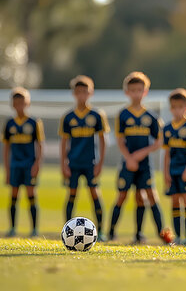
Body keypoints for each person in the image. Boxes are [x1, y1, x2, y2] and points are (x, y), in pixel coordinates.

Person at [109, 71, 173, 245]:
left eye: (140, 90)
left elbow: (159, 141)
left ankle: (159, 235)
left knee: (148, 196)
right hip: (127, 163)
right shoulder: (122, 115)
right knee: (122, 195)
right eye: (133, 90)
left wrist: (140, 154)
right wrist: (129, 158)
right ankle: (110, 232)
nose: (136, 93)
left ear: (145, 91)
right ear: (127, 92)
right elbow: (120, 140)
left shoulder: (151, 117)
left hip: (144, 165)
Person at [59, 76, 109, 241]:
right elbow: (64, 142)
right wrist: (63, 164)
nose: (81, 95)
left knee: (94, 193)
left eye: (85, 92)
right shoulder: (68, 117)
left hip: (90, 163)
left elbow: (102, 141)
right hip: (73, 163)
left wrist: (100, 162)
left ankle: (101, 231)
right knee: (72, 194)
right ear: (73, 93)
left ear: (91, 93)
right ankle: (67, 230)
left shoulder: (97, 115)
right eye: (78, 92)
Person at [0, 87, 44, 237]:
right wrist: (7, 169)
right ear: (12, 104)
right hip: (15, 165)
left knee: (31, 194)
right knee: (13, 195)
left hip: (29, 165)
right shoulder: (9, 123)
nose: (19, 105)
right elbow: (6, 147)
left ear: (28, 103)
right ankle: (12, 228)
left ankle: (34, 230)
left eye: (22, 102)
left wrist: (37, 164)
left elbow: (40, 144)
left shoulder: (34, 122)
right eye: (16, 102)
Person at [162, 88, 186, 246]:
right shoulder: (167, 128)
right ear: (170, 108)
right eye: (174, 107)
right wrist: (165, 173)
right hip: (172, 171)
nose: (177, 110)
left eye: (180, 107)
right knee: (175, 201)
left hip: (185, 170)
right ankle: (177, 236)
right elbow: (167, 153)